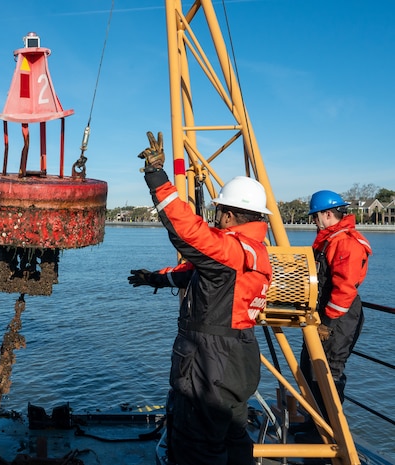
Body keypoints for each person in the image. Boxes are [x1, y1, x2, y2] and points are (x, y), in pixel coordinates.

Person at [128, 135, 273, 465]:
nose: (215, 217)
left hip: (210, 362)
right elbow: (192, 273)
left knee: (197, 445)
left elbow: (186, 230)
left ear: (230, 215)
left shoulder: (229, 250)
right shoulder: (254, 252)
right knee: (234, 437)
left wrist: (156, 176)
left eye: (219, 211)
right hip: (240, 357)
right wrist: (154, 278)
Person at [297, 190, 371, 434]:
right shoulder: (330, 240)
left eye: (315, 217)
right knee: (310, 368)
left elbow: (344, 288)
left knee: (328, 370)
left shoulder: (345, 242)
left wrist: (327, 322)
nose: (314, 222)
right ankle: (315, 424)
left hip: (338, 317)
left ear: (327, 214)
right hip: (325, 314)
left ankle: (330, 433)